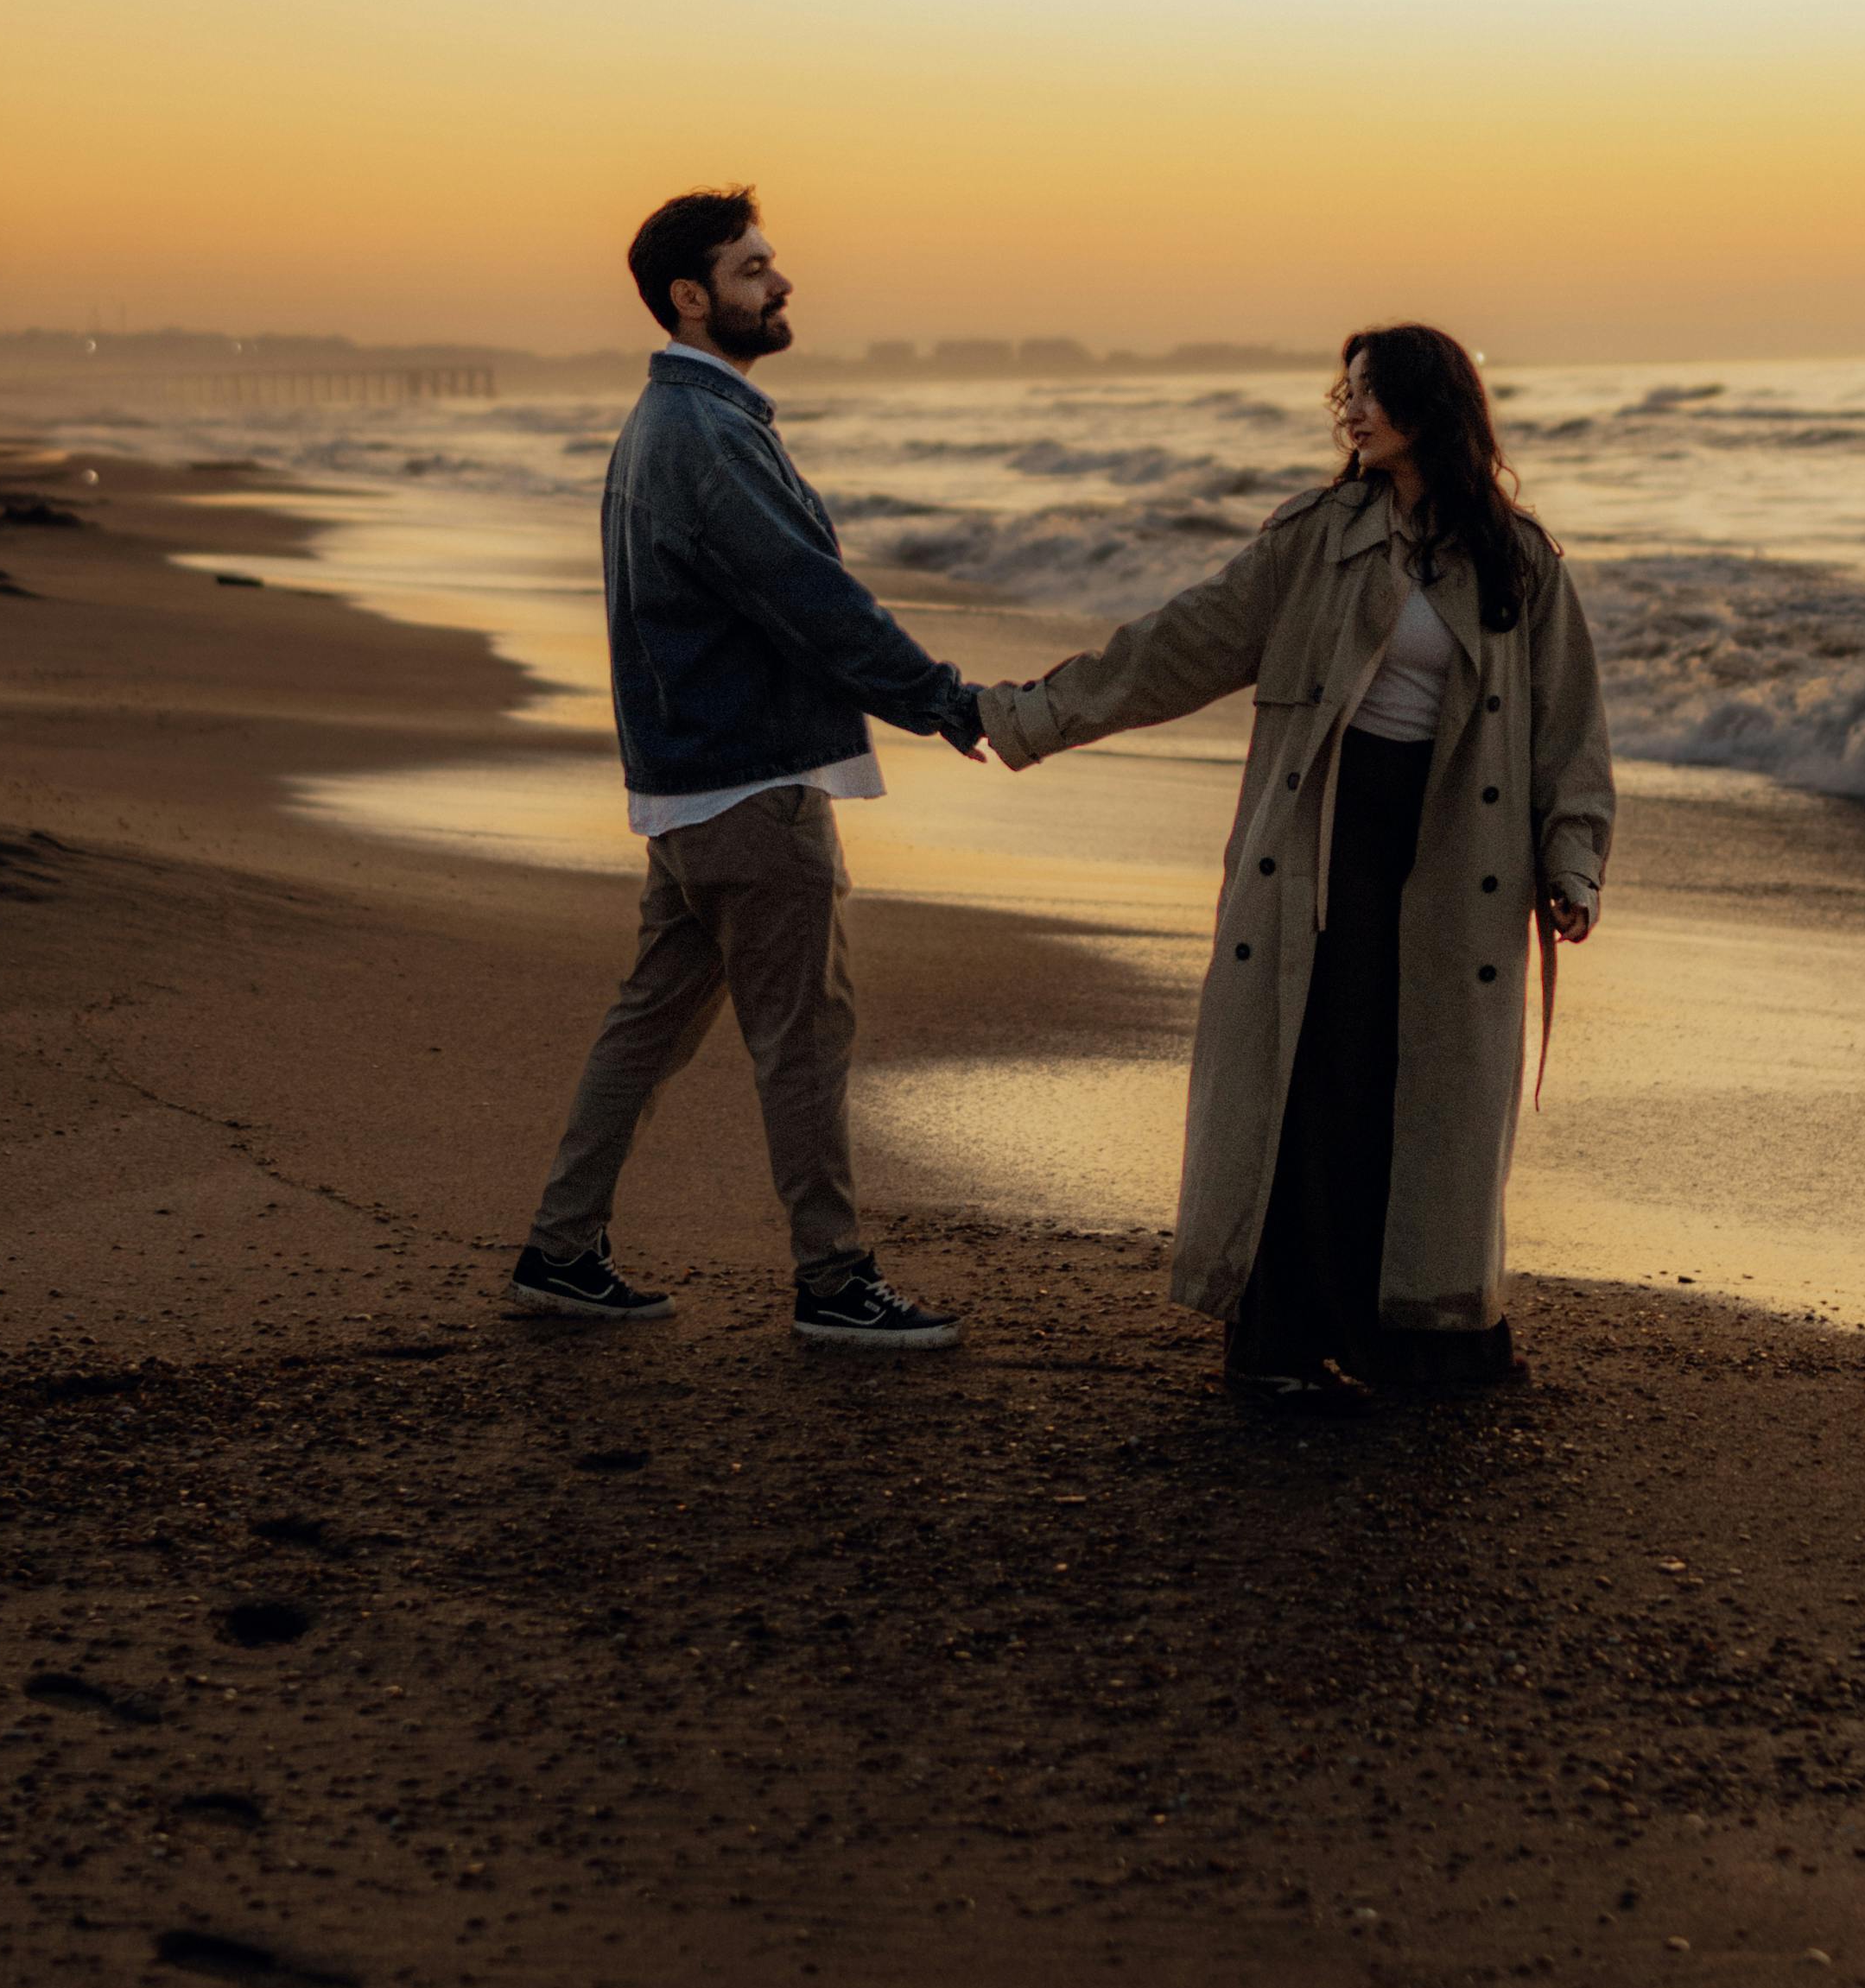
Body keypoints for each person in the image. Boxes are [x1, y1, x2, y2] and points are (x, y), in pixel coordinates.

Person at [973, 325, 1611, 1398]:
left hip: (1460, 850)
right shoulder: (1315, 536)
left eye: (1370, 393)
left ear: (1431, 404)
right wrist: (1032, 717)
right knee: (1316, 1073)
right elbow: (1181, 645)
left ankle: (1422, 1333)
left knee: (1427, 1087)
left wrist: (1573, 862)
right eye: (1343, 395)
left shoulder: (1518, 556)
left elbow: (1570, 728)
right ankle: (1287, 1335)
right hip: (1324, 837)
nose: (1349, 412)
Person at [512, 188, 982, 1347]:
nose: (781, 284)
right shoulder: (708, 437)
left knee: (649, 1025)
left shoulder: (665, 426)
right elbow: (812, 603)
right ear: (693, 296)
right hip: (748, 789)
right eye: (755, 268)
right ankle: (833, 1280)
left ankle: (560, 1251)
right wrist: (945, 701)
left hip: (685, 789)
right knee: (805, 1035)